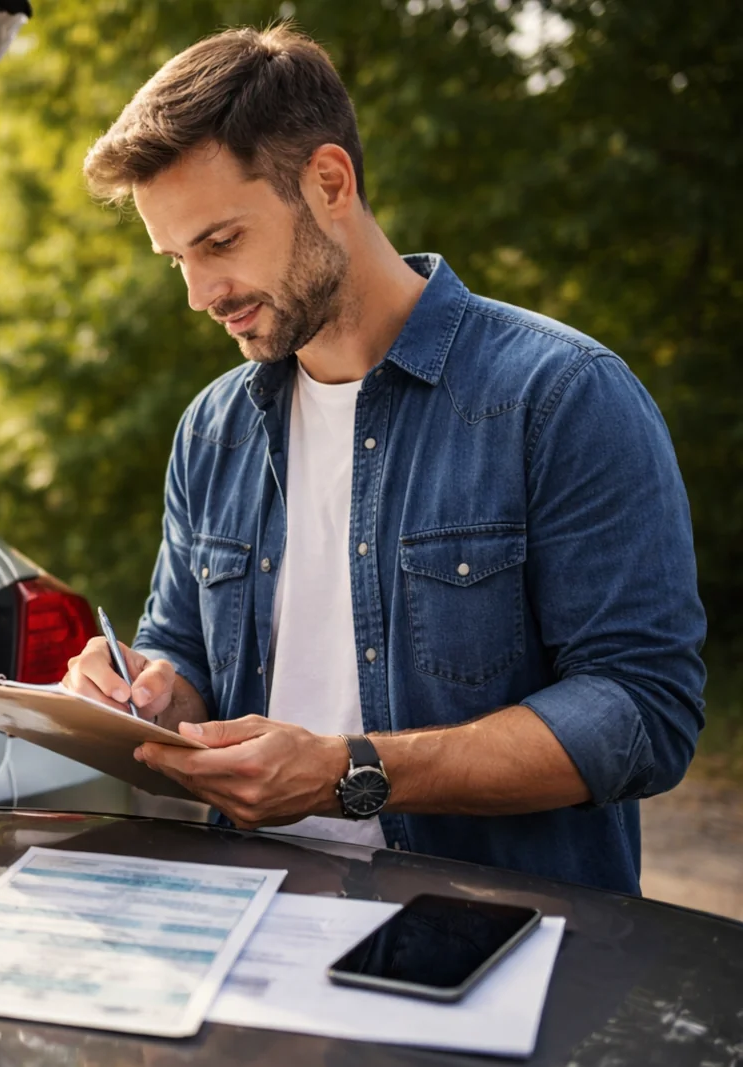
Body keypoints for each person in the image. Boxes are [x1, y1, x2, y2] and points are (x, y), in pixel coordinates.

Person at [62, 24, 705, 893]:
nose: (199, 295)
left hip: (485, 940)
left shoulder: (562, 396)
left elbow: (642, 710)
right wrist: (147, 688)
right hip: (244, 925)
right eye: (177, 258)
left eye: (220, 243)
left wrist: (349, 770)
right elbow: (185, 654)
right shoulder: (212, 429)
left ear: (329, 181)